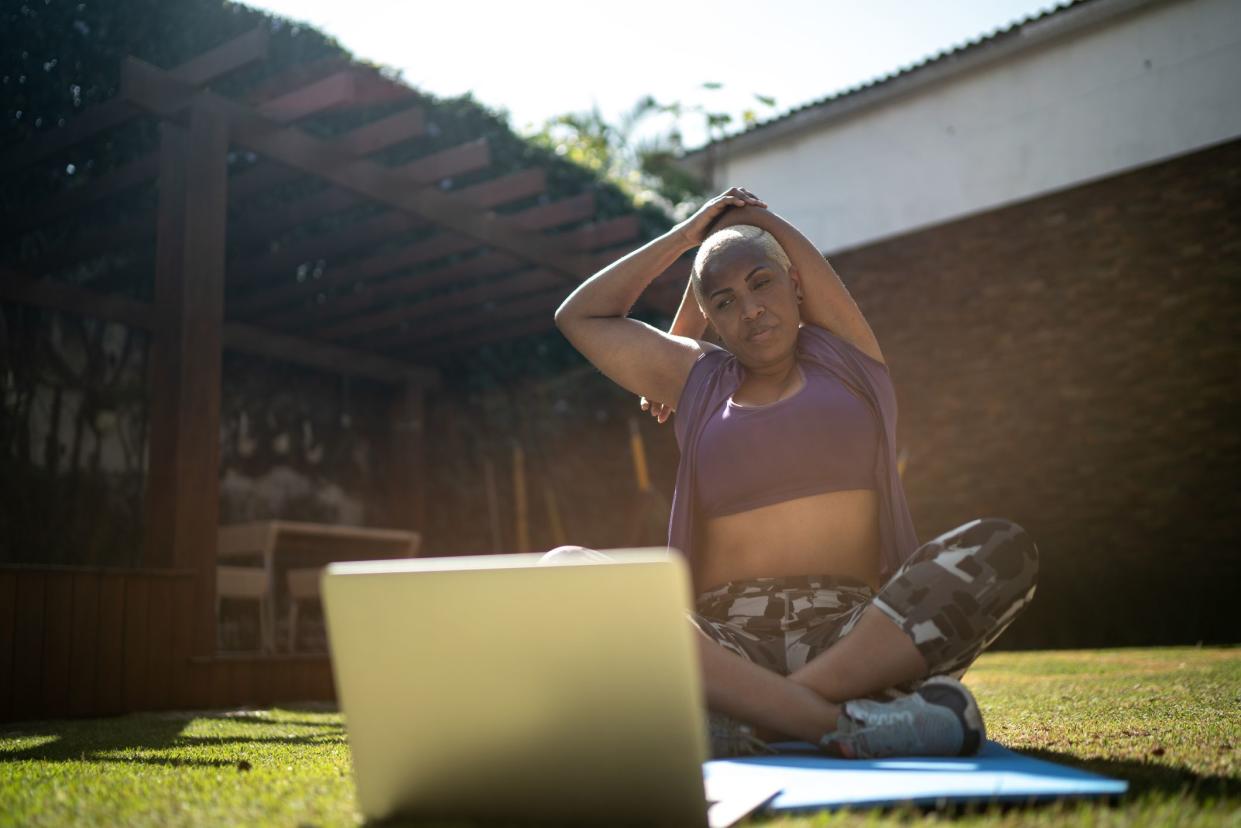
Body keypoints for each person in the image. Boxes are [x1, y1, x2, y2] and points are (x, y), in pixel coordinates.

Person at [549, 187, 1039, 759]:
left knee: (1002, 550)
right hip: (722, 641)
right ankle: (834, 724)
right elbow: (580, 315)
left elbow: (762, 229)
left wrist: (738, 218)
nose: (751, 308)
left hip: (854, 636)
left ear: (795, 285)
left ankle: (758, 718)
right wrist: (686, 236)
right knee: (564, 570)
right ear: (711, 320)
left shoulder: (851, 360)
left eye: (762, 282)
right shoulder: (697, 380)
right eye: (725, 302)